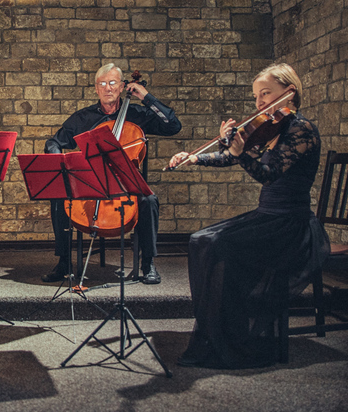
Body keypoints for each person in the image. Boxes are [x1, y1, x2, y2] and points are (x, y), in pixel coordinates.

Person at [168, 63, 330, 369]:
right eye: (256, 96)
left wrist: (241, 151)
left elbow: (268, 175)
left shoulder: (301, 129)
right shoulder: (273, 128)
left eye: (266, 94)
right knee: (201, 240)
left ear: (290, 92)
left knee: (218, 245)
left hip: (290, 224)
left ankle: (228, 339)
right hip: (267, 217)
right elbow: (229, 156)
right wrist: (195, 159)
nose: (259, 103)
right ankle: (218, 333)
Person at [43, 63, 182, 285]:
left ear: (122, 87)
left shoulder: (138, 115)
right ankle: (64, 262)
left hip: (127, 185)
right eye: (103, 84)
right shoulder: (83, 118)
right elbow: (54, 142)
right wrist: (59, 159)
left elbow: (173, 125)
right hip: (91, 182)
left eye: (113, 83)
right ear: (96, 89)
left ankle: (148, 263)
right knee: (59, 196)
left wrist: (146, 97)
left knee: (150, 201)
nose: (108, 88)